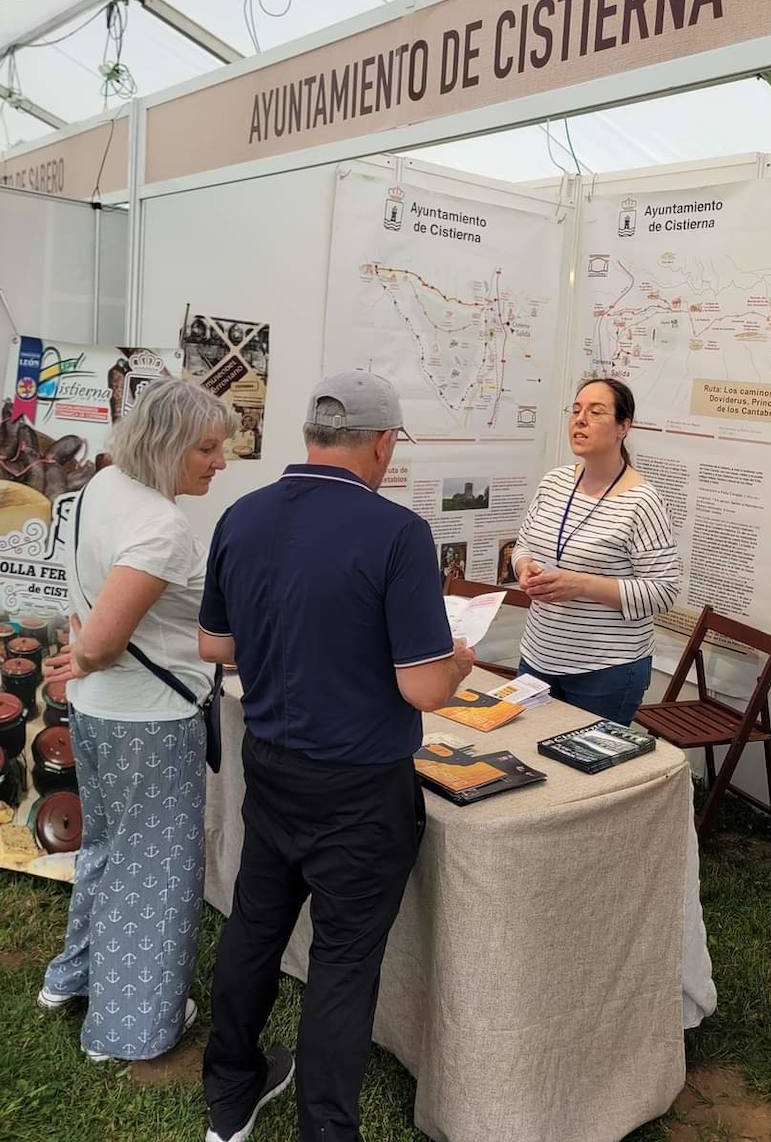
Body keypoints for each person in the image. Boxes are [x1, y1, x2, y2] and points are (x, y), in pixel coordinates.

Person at [198, 370, 475, 1142]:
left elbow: (214, 644)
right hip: (360, 785)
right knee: (343, 962)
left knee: (256, 925)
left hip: (272, 760)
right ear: (382, 444)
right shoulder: (396, 532)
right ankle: (326, 1130)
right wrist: (456, 662)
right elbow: (421, 689)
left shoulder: (242, 515)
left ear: (311, 437)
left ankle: (229, 1089)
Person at [38, 378, 235, 1062]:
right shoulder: (160, 525)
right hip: (149, 722)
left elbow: (89, 620)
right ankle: (129, 1028)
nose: (219, 461)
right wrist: (85, 655)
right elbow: (104, 637)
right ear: (167, 443)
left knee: (110, 851)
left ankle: (74, 976)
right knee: (154, 875)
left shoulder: (104, 485)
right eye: (207, 448)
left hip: (101, 714)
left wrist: (82, 657)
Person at [512, 376, 681, 724]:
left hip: (605, 670)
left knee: (588, 776)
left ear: (624, 426)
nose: (580, 420)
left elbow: (663, 592)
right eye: (575, 410)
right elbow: (523, 545)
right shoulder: (554, 482)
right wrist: (524, 566)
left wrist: (584, 585)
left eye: (595, 412)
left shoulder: (642, 501)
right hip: (538, 655)